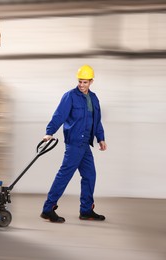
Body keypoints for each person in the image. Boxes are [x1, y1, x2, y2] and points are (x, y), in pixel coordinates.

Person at [40, 64, 107, 223]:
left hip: (85, 144)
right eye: (80, 81)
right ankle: (48, 208)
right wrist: (49, 132)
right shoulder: (70, 96)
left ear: (91, 82)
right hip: (74, 143)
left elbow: (96, 121)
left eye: (85, 82)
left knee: (90, 175)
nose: (81, 85)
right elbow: (59, 115)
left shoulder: (94, 98)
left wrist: (101, 138)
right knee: (65, 175)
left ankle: (86, 210)